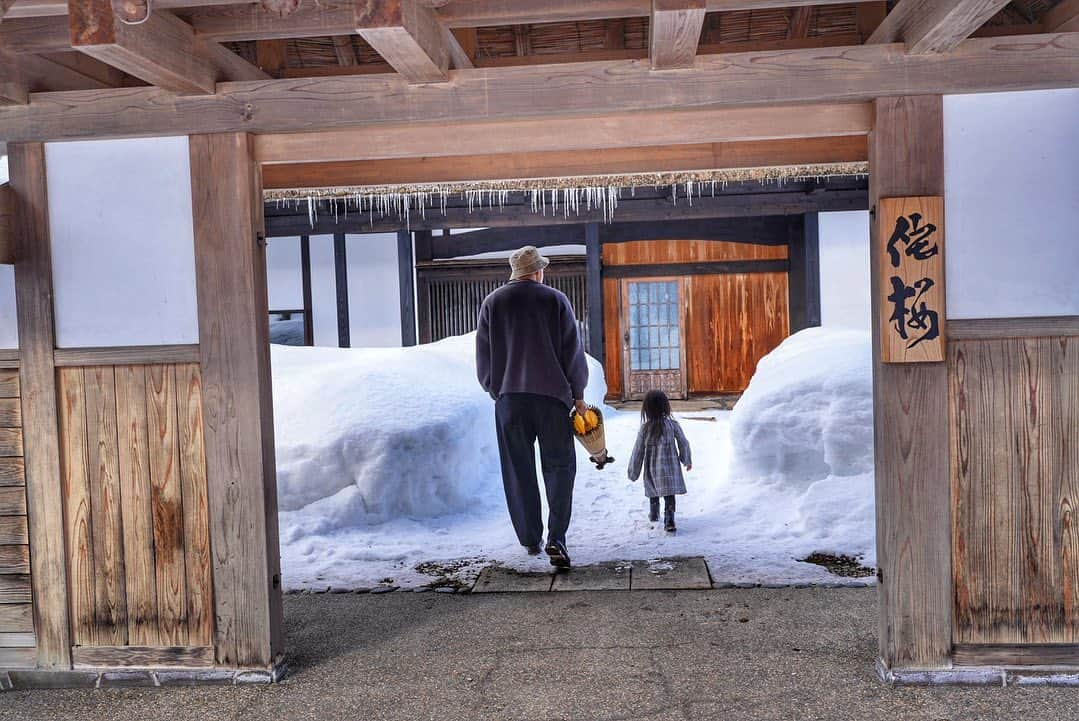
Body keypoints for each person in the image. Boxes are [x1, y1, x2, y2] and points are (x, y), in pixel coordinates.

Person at [475, 246, 589, 568]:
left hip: (510, 401)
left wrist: (496, 388)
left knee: (518, 470)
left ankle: (529, 538)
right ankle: (557, 538)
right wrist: (577, 393)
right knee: (559, 468)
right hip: (553, 400)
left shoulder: (493, 302)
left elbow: (484, 359)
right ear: (538, 271)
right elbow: (572, 352)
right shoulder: (555, 300)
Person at [627, 390, 692, 533]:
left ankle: (654, 514)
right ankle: (669, 519)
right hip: (671, 468)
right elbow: (683, 442)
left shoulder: (645, 428)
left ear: (647, 409)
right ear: (665, 407)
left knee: (653, 490)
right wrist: (686, 459)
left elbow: (637, 451)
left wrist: (633, 471)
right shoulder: (672, 425)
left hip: (652, 468)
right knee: (669, 494)